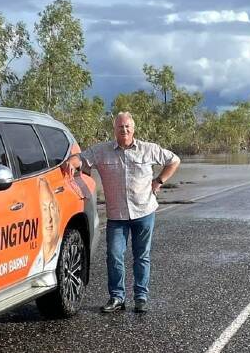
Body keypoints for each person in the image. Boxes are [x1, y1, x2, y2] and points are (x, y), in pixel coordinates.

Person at [77, 112, 180, 313]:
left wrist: (159, 181)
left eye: (127, 127)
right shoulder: (101, 151)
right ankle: (117, 297)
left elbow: (173, 160)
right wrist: (84, 181)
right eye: (120, 127)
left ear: (133, 129)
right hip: (116, 216)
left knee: (142, 256)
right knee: (114, 255)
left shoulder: (148, 149)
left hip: (144, 211)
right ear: (114, 129)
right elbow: (81, 161)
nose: (124, 130)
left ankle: (141, 297)